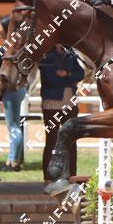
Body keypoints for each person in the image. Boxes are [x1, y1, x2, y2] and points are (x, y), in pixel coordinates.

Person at [39, 45, 84, 182]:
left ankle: (72, 176)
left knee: (71, 140)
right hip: (51, 104)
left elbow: (81, 74)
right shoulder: (45, 56)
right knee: (52, 140)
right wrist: (71, 77)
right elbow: (51, 80)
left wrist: (67, 74)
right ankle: (48, 178)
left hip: (70, 103)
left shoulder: (71, 54)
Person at [0, 16, 27, 171]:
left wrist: (0, 86)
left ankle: (13, 162)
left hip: (10, 89)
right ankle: (13, 160)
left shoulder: (7, 49)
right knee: (16, 126)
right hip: (19, 89)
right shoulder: (18, 48)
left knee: (13, 127)